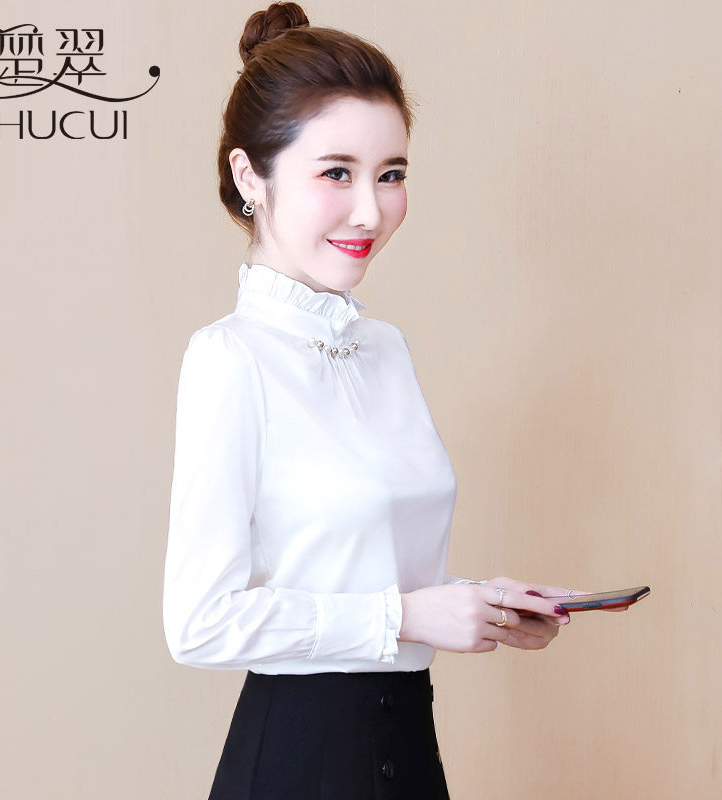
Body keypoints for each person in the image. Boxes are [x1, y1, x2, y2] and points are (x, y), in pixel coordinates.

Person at [163, 4, 573, 798]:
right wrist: (408, 618)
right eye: (336, 173)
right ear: (251, 177)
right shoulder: (230, 359)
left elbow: (367, 569)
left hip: (408, 749)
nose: (370, 210)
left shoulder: (383, 349)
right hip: (297, 762)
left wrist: (479, 604)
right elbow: (199, 623)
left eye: (391, 174)